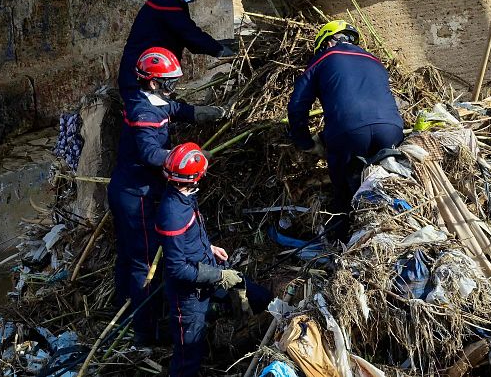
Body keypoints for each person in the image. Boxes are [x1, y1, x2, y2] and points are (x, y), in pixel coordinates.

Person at [107, 47, 226, 345]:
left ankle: (122, 309)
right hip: (136, 196)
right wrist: (190, 157)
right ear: (152, 82)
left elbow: (174, 109)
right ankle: (144, 334)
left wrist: (204, 113)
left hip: (128, 188)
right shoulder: (144, 113)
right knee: (142, 264)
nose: (173, 86)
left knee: (128, 255)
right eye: (168, 81)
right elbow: (149, 153)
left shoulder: (150, 100)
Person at [157, 142, 270, 377]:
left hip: (207, 267)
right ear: (195, 177)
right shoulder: (172, 214)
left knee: (255, 292)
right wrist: (220, 276)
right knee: (189, 356)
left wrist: (209, 247)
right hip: (189, 295)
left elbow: (190, 235)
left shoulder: (184, 195)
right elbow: (177, 268)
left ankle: (268, 319)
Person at [287, 20, 404, 237]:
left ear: (327, 42)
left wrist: (304, 142)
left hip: (349, 132)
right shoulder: (375, 60)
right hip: (392, 128)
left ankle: (343, 241)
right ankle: (395, 231)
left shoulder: (323, 58)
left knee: (344, 193)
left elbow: (297, 106)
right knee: (385, 186)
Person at [118, 0, 235, 102]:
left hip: (147, 79)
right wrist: (220, 50)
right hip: (139, 82)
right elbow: (190, 35)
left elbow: (189, 39)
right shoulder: (167, 3)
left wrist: (219, 45)